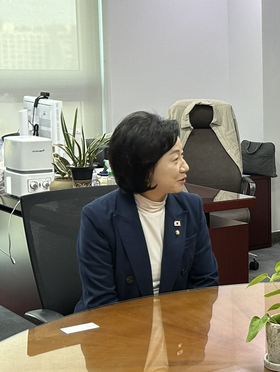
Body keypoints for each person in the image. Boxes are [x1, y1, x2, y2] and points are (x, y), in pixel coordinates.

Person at [74, 111, 219, 312]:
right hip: (118, 324)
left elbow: (205, 283)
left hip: (177, 320)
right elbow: (102, 305)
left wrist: (186, 326)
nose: (185, 167)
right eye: (175, 159)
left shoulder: (190, 207)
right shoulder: (98, 217)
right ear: (144, 167)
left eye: (182, 156)